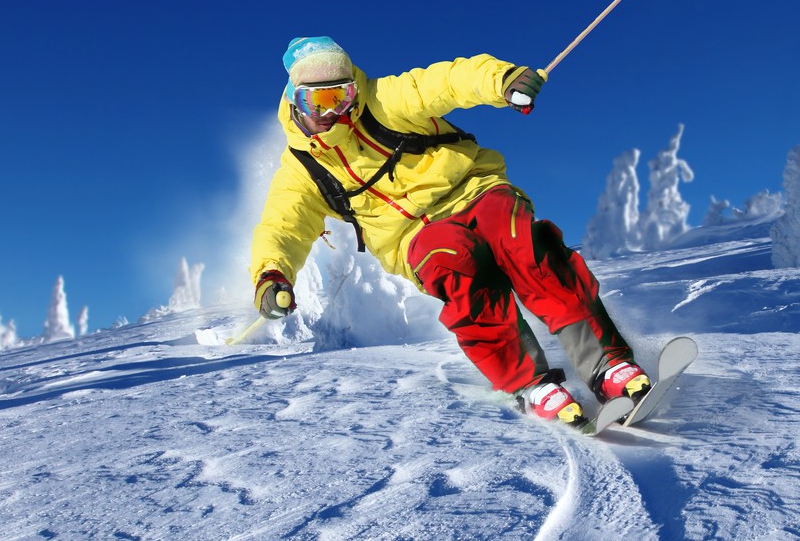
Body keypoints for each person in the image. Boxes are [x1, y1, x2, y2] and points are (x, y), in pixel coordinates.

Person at [249, 36, 649, 428]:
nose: (333, 111)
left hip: (474, 190)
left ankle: (607, 364)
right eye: (317, 101)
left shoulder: (385, 100)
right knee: (461, 277)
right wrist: (271, 273)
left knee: (524, 245)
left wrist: (501, 80)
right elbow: (283, 224)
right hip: (412, 235)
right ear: (294, 99)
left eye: (342, 96)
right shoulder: (302, 171)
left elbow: (449, 80)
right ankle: (531, 384)